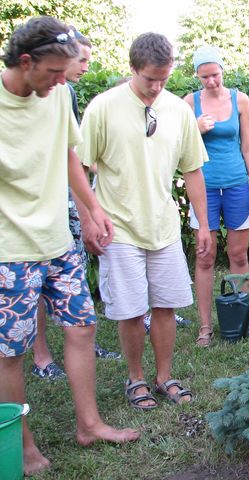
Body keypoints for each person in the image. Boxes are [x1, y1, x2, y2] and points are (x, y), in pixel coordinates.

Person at [0, 16, 139, 475]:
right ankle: (20, 442)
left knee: (81, 328)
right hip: (9, 250)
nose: (64, 80)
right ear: (26, 61)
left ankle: (89, 423)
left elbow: (68, 154)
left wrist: (92, 208)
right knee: (9, 353)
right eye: (55, 72)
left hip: (59, 241)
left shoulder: (58, 94)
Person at [79, 32, 211, 409]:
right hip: (118, 227)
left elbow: (192, 171)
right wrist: (89, 220)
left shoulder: (178, 110)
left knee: (166, 305)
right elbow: (81, 168)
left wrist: (202, 224)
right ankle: (135, 378)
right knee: (132, 309)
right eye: (149, 79)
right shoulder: (103, 108)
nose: (156, 87)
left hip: (163, 226)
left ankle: (164, 376)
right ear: (133, 68)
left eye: (163, 79)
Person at [30, 29, 120, 381]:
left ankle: (83, 343)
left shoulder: (66, 93)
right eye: (80, 58)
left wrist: (89, 210)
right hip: (33, 208)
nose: (84, 65)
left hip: (65, 197)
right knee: (36, 277)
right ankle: (40, 355)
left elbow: (73, 154)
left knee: (77, 266)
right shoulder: (22, 93)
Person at [183, 46, 249, 347]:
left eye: (215, 74)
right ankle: (205, 326)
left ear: (222, 71)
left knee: (239, 254)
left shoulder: (239, 99)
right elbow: (177, 144)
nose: (211, 81)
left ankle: (244, 320)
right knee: (205, 256)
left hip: (236, 184)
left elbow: (248, 147)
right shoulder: (189, 102)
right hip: (202, 186)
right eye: (204, 77)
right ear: (197, 76)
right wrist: (195, 128)